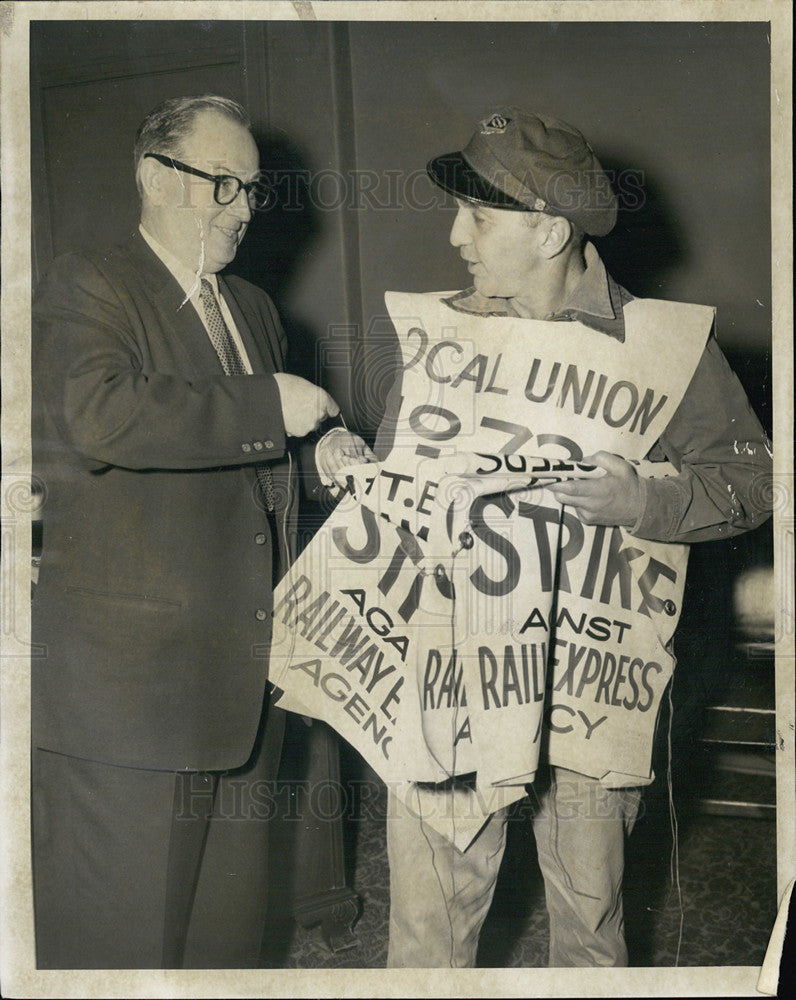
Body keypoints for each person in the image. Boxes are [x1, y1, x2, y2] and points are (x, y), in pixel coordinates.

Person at [379, 107, 773, 968]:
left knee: (589, 931)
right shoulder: (445, 335)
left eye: (479, 217)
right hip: (454, 675)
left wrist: (643, 500)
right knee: (424, 929)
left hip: (593, 687)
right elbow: (392, 479)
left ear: (551, 230)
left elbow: (756, 480)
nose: (456, 237)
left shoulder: (664, 349)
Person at [30, 94, 371, 969]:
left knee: (226, 942)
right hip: (132, 695)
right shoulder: (89, 281)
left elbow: (240, 464)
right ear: (153, 177)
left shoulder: (253, 308)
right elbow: (99, 417)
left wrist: (316, 459)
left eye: (251, 190)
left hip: (244, 680)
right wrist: (273, 407)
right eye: (223, 183)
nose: (245, 208)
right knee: (122, 944)